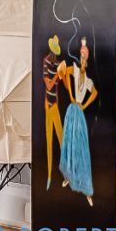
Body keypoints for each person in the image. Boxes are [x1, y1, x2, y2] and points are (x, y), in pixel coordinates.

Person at [60, 37, 98, 205]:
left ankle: (86, 189)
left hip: (79, 113)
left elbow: (94, 93)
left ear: (86, 62)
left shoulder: (88, 81)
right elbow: (63, 71)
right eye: (81, 57)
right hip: (71, 111)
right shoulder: (74, 70)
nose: (82, 61)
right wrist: (69, 93)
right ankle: (69, 175)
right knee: (69, 143)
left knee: (80, 147)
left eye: (84, 59)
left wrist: (85, 105)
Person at [42, 35, 67, 189]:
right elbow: (49, 85)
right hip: (48, 105)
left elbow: (62, 82)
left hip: (55, 104)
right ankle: (49, 176)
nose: (55, 53)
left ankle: (66, 173)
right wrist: (58, 73)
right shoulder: (46, 62)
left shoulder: (58, 63)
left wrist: (64, 72)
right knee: (49, 141)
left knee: (61, 139)